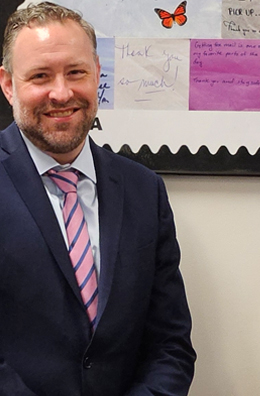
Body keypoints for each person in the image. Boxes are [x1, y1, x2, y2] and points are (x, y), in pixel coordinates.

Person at [0, 3, 196, 395]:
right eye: (40, 76)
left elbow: (170, 345)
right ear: (8, 85)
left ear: (97, 74)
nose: (62, 92)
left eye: (76, 72)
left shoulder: (144, 190)